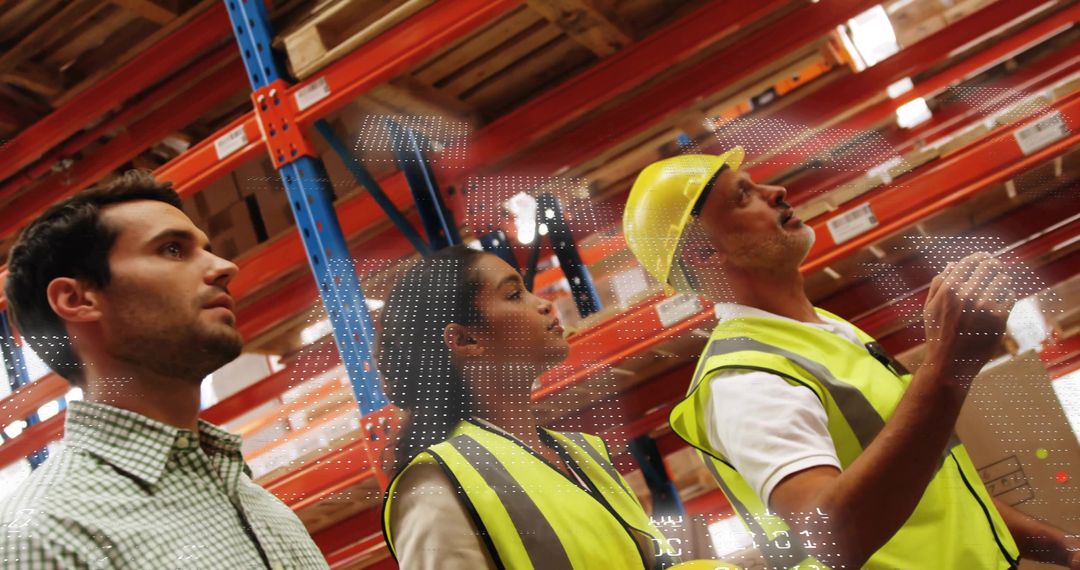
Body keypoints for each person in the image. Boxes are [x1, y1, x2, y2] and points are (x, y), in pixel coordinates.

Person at [622, 149, 1080, 569]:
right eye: (744, 196)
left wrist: (1059, 545)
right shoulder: (746, 379)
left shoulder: (826, 332)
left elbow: (933, 483)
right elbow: (832, 539)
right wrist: (947, 368)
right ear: (704, 253)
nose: (775, 191)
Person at [0, 171, 328, 569]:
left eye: (206, 249)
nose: (225, 267)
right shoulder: (40, 536)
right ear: (76, 299)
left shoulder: (263, 510)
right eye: (173, 250)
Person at [378, 244, 693, 570]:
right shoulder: (434, 486)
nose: (544, 303)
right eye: (514, 295)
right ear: (465, 341)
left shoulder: (584, 452)